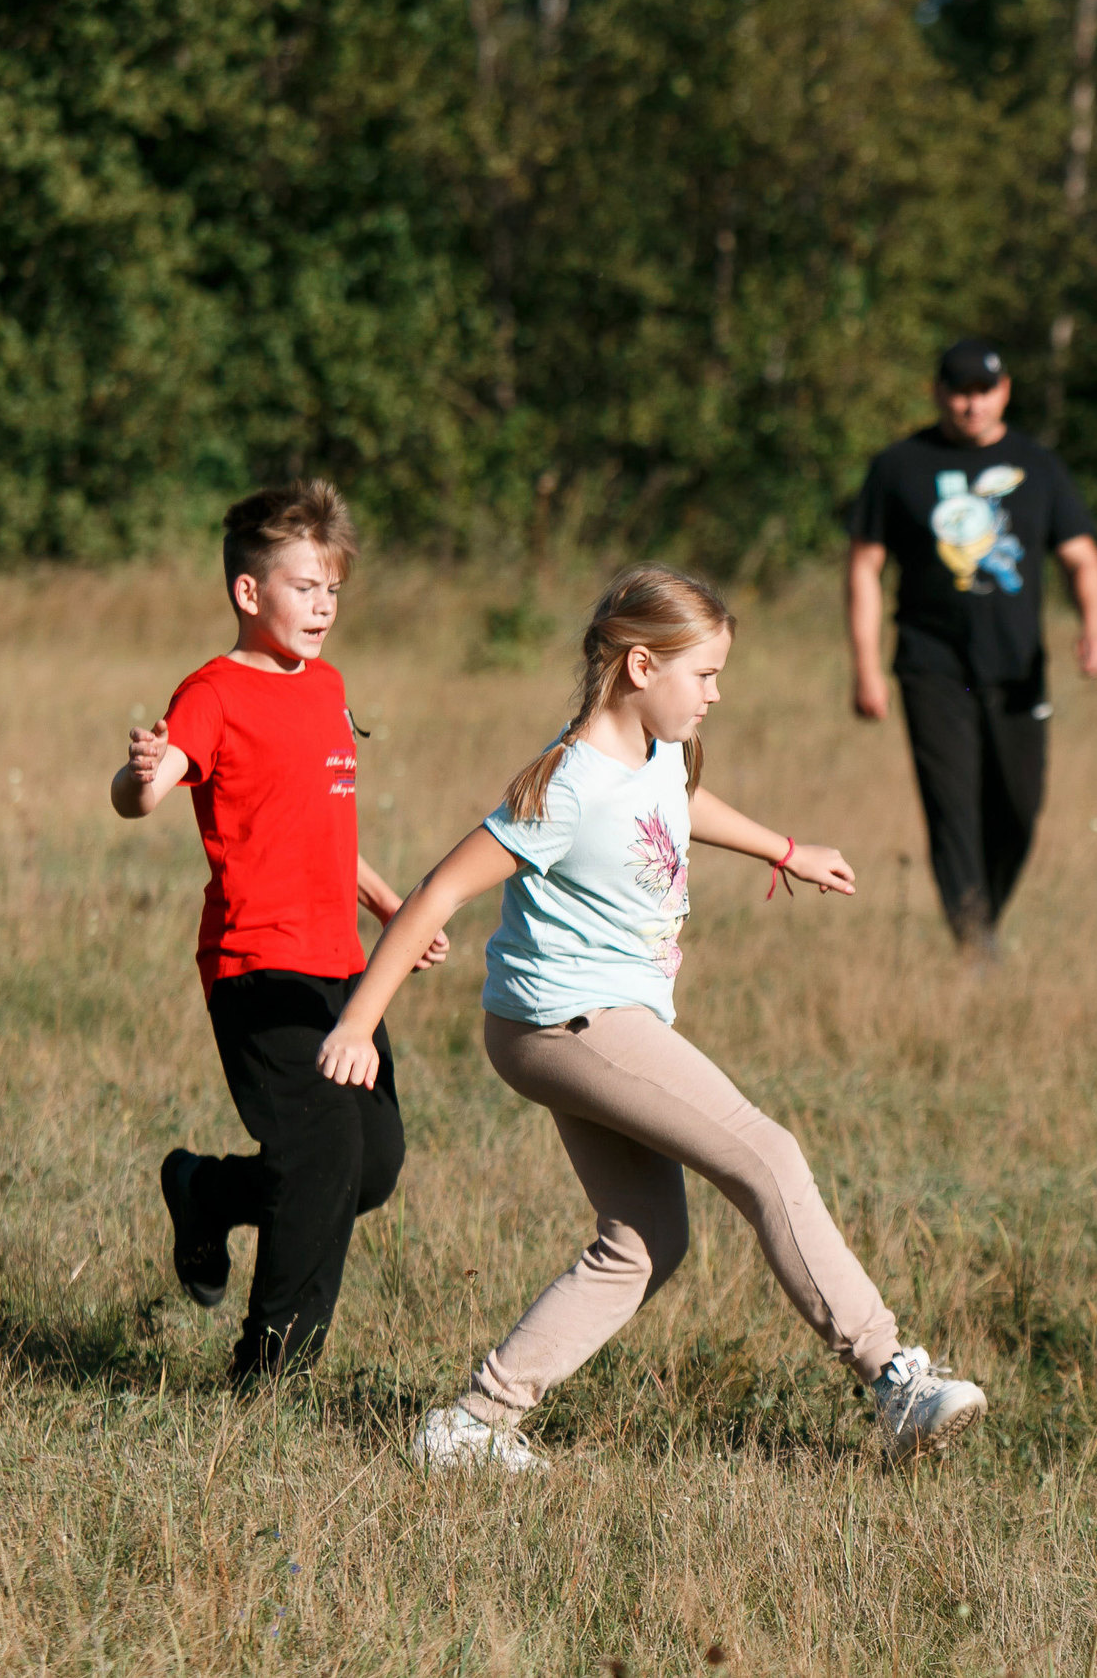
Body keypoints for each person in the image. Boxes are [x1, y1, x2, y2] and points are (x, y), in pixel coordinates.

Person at [315, 565, 988, 1470]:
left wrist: (785, 848)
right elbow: (439, 889)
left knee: (644, 1241)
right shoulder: (567, 785)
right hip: (567, 1023)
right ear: (641, 666)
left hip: (591, 1020)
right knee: (768, 1156)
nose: (715, 694)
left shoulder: (657, 750)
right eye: (703, 674)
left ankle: (472, 1423)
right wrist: (358, 1022)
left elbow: (678, 803)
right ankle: (891, 1376)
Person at [109, 482, 449, 1386]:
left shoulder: (327, 685)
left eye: (332, 589)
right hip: (257, 964)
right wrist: (142, 773)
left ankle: (207, 1190)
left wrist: (390, 907)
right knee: (323, 1153)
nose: (324, 605)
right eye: (305, 587)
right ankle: (268, 1375)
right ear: (249, 591)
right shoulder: (212, 693)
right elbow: (144, 793)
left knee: (370, 1166)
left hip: (341, 966)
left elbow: (316, 825)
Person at [846, 336, 1097, 955]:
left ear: (1005, 391)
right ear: (939, 393)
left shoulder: (1038, 466)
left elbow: (1081, 557)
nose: (972, 405)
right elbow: (864, 566)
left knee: (1019, 806)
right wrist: (866, 669)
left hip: (1016, 668)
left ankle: (982, 915)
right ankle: (973, 940)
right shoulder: (899, 466)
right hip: (933, 666)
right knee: (953, 806)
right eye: (960, 392)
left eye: (984, 391)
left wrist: (1094, 630)